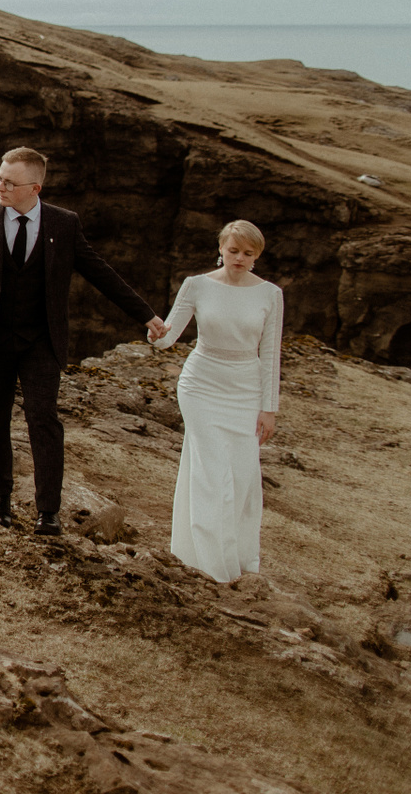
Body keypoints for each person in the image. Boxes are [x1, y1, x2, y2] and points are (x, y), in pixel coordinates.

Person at [0, 147, 168, 535]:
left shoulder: (64, 224)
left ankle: (48, 511)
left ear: (35, 188)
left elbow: (100, 272)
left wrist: (145, 315)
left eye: (9, 182)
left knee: (43, 421)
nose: (0, 186)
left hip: (41, 342)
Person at [148, 220, 283, 583]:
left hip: (245, 389)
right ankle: (209, 563)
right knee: (210, 472)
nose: (239, 258)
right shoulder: (197, 285)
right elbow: (169, 336)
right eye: (233, 250)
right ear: (221, 249)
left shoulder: (270, 294)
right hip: (201, 386)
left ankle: (236, 555)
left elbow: (271, 353)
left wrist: (269, 409)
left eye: (248, 253)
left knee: (241, 474)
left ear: (257, 256)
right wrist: (154, 333)